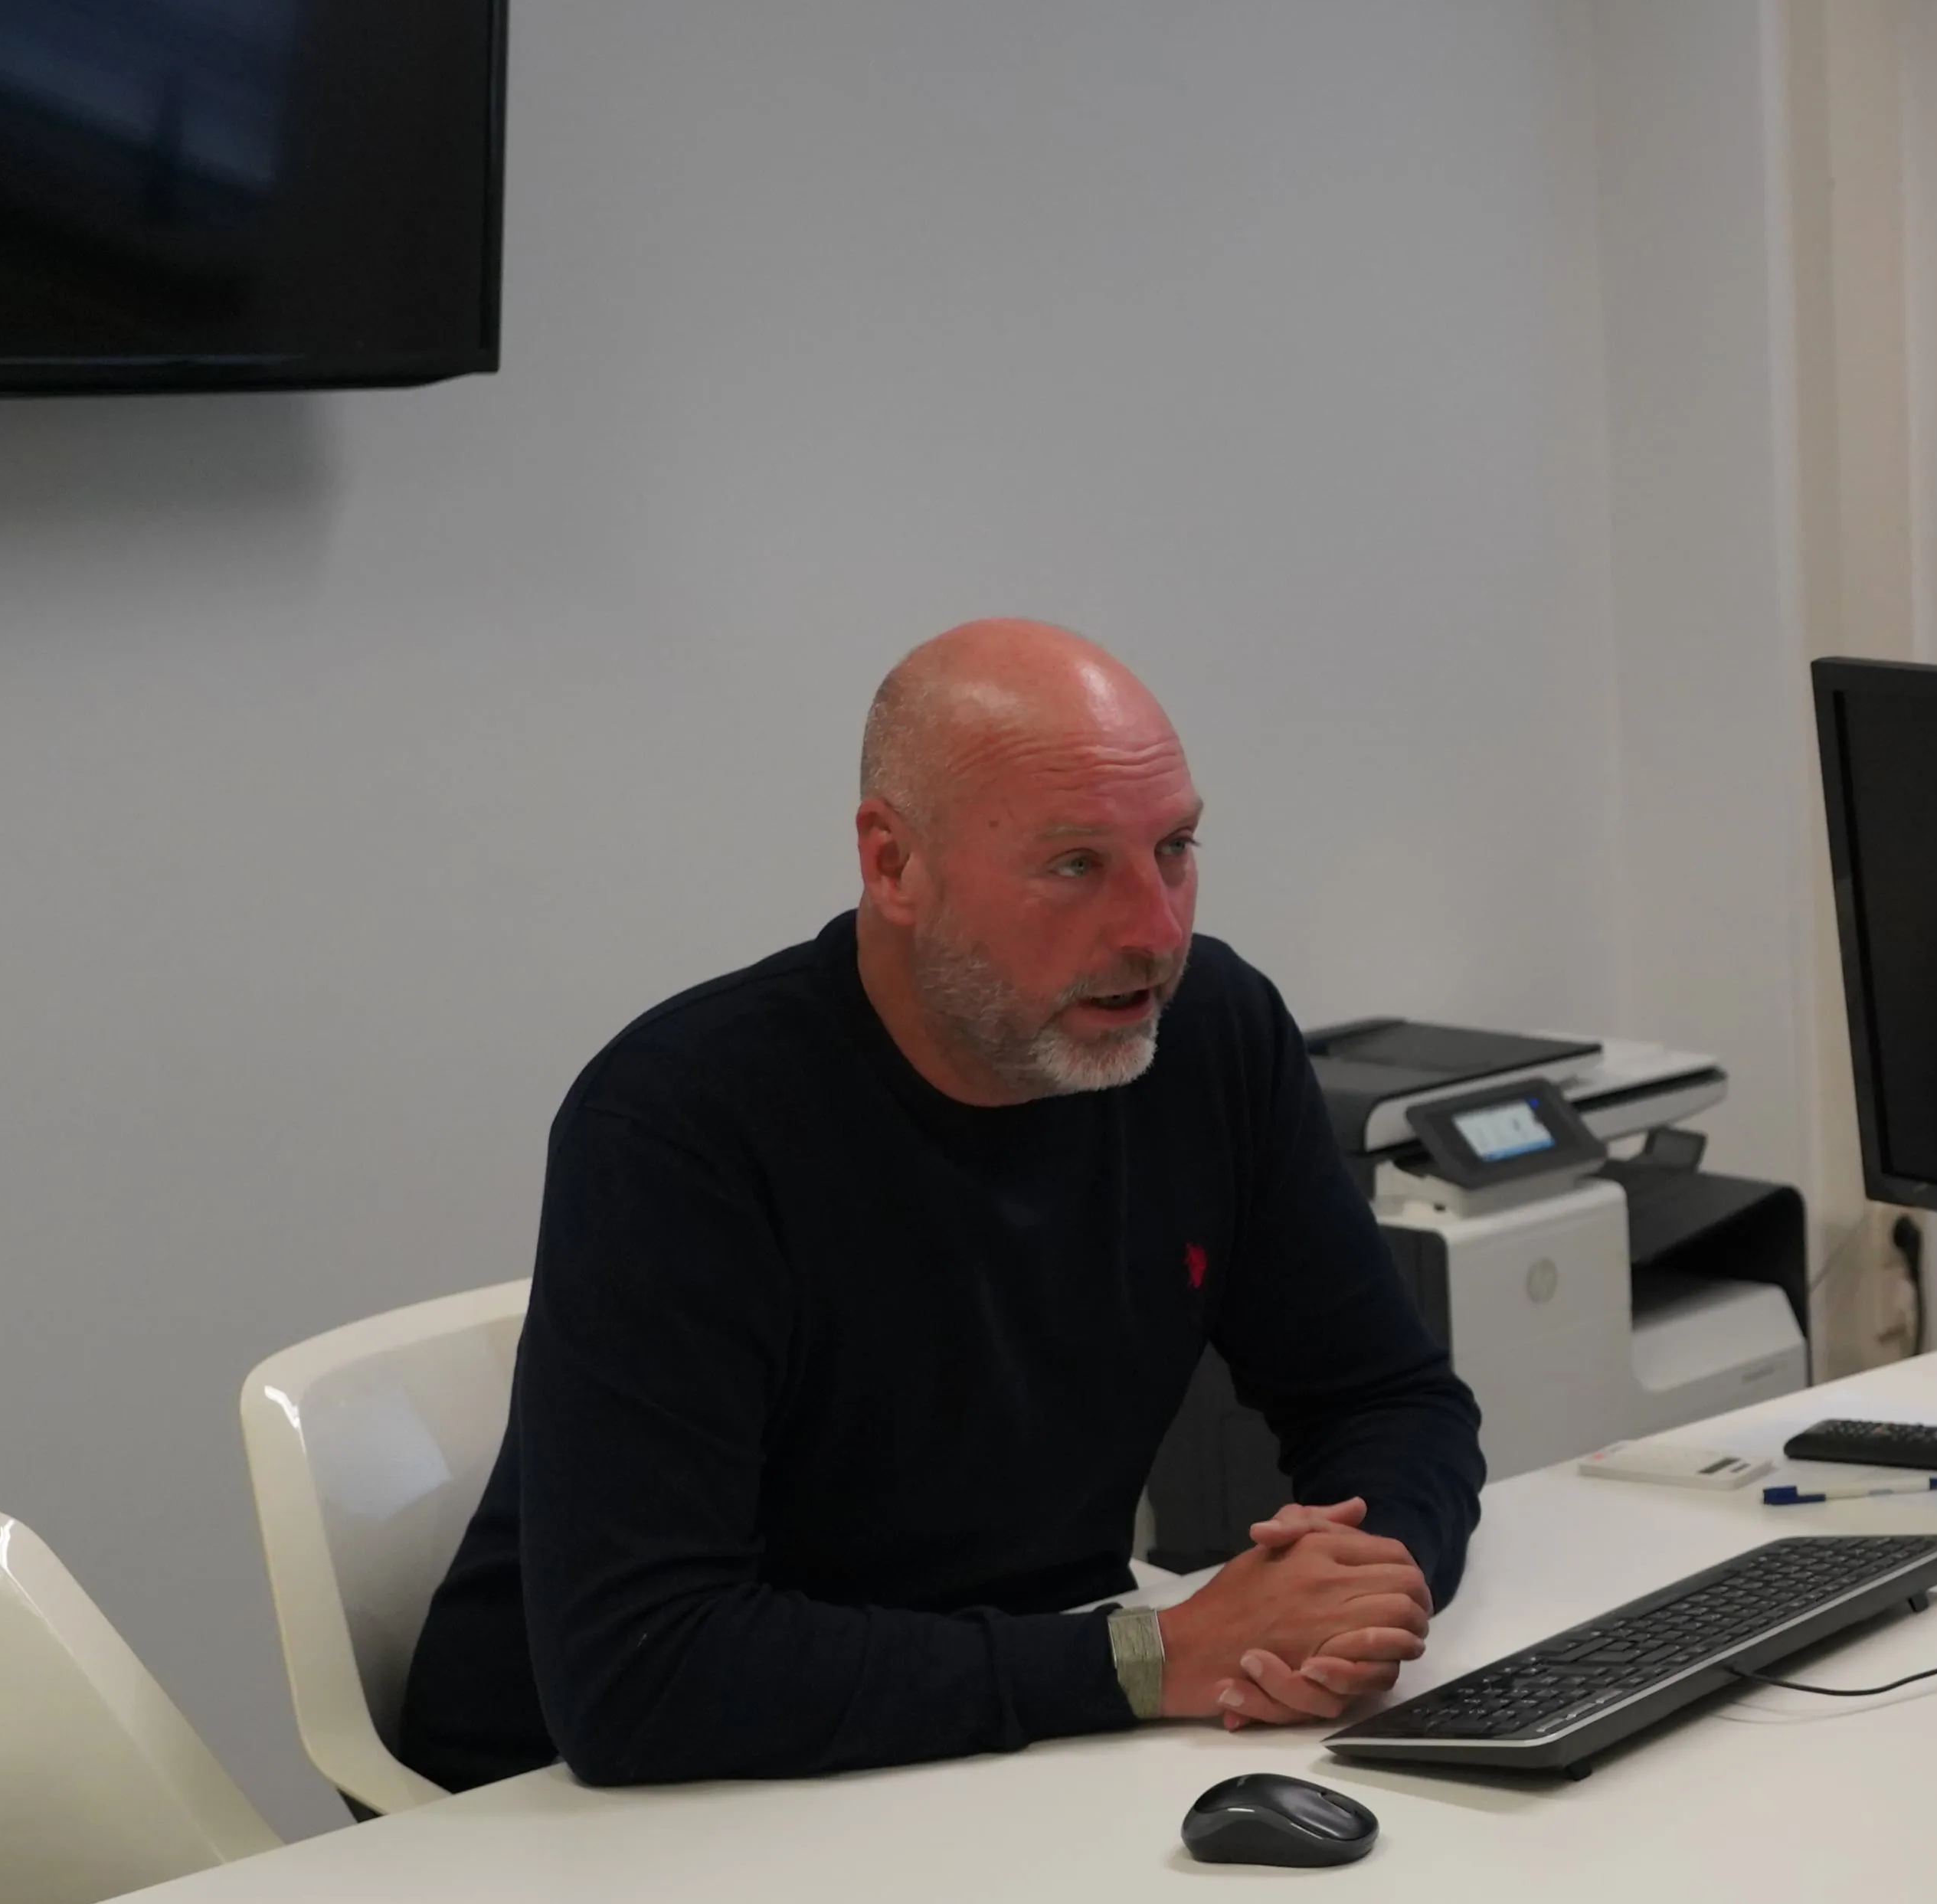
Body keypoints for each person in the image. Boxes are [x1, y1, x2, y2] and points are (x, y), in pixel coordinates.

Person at [397, 620, 1483, 1790]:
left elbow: (1388, 1396)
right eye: (1075, 866)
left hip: (972, 1755)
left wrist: (1362, 1597)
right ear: (892, 866)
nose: (1155, 932)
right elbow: (644, 1673)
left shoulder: (1207, 1034)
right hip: (571, 1823)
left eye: (1173, 848)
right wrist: (1152, 1657)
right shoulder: (682, 1122)